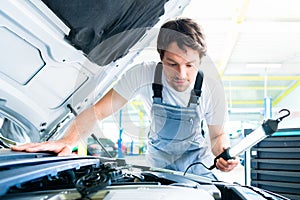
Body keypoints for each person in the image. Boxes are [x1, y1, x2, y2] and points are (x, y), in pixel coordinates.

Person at [12, 17, 238, 179]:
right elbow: (97, 111)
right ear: (161, 58)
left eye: (190, 65)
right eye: (172, 64)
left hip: (198, 167)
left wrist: (223, 154)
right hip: (160, 168)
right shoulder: (142, 74)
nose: (182, 74)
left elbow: (217, 134)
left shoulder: (211, 88)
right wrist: (68, 141)